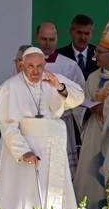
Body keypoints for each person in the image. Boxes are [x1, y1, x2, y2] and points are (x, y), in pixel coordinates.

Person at [0, 46, 84, 209]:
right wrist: (23, 151)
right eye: (31, 66)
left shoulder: (52, 79)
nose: (36, 71)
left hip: (52, 149)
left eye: (39, 66)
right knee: (24, 193)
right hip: (25, 148)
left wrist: (59, 88)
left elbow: (78, 96)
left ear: (44, 64)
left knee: (53, 196)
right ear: (22, 65)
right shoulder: (9, 88)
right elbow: (8, 127)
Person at [73, 18, 109, 209]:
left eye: (99, 53)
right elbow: (81, 105)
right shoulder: (94, 77)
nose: (95, 56)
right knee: (90, 179)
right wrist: (89, 108)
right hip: (94, 135)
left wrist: (107, 109)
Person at [35, 22, 86, 173]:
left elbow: (80, 94)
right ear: (36, 38)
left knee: (59, 173)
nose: (48, 43)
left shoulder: (69, 65)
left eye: (52, 39)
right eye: (44, 39)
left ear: (57, 39)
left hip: (60, 123)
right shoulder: (25, 65)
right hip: (34, 125)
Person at [58, 14, 98, 79]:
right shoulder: (60, 55)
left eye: (87, 33)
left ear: (92, 34)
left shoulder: (100, 54)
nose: (83, 37)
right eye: (79, 33)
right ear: (71, 31)